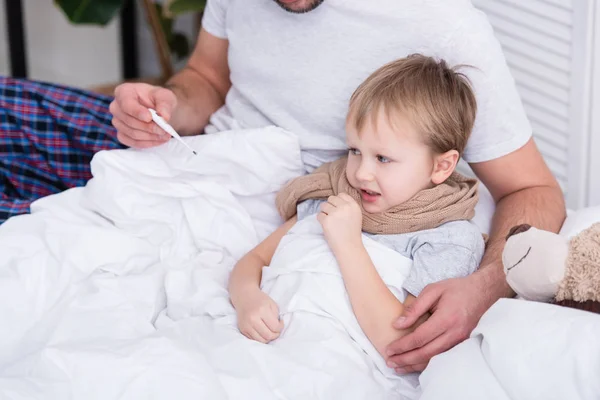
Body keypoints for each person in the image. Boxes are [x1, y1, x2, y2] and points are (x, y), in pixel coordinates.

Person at [0, 0, 566, 373]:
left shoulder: (442, 24)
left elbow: (532, 187)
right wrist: (170, 104)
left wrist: (488, 284)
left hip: (287, 208)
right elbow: (206, 76)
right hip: (205, 163)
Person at [228, 54, 486, 360]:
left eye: (383, 158)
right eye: (354, 150)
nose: (361, 173)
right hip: (272, 345)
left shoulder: (448, 239)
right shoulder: (336, 198)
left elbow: (402, 342)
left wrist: (348, 245)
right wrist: (248, 298)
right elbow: (254, 259)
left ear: (441, 166)